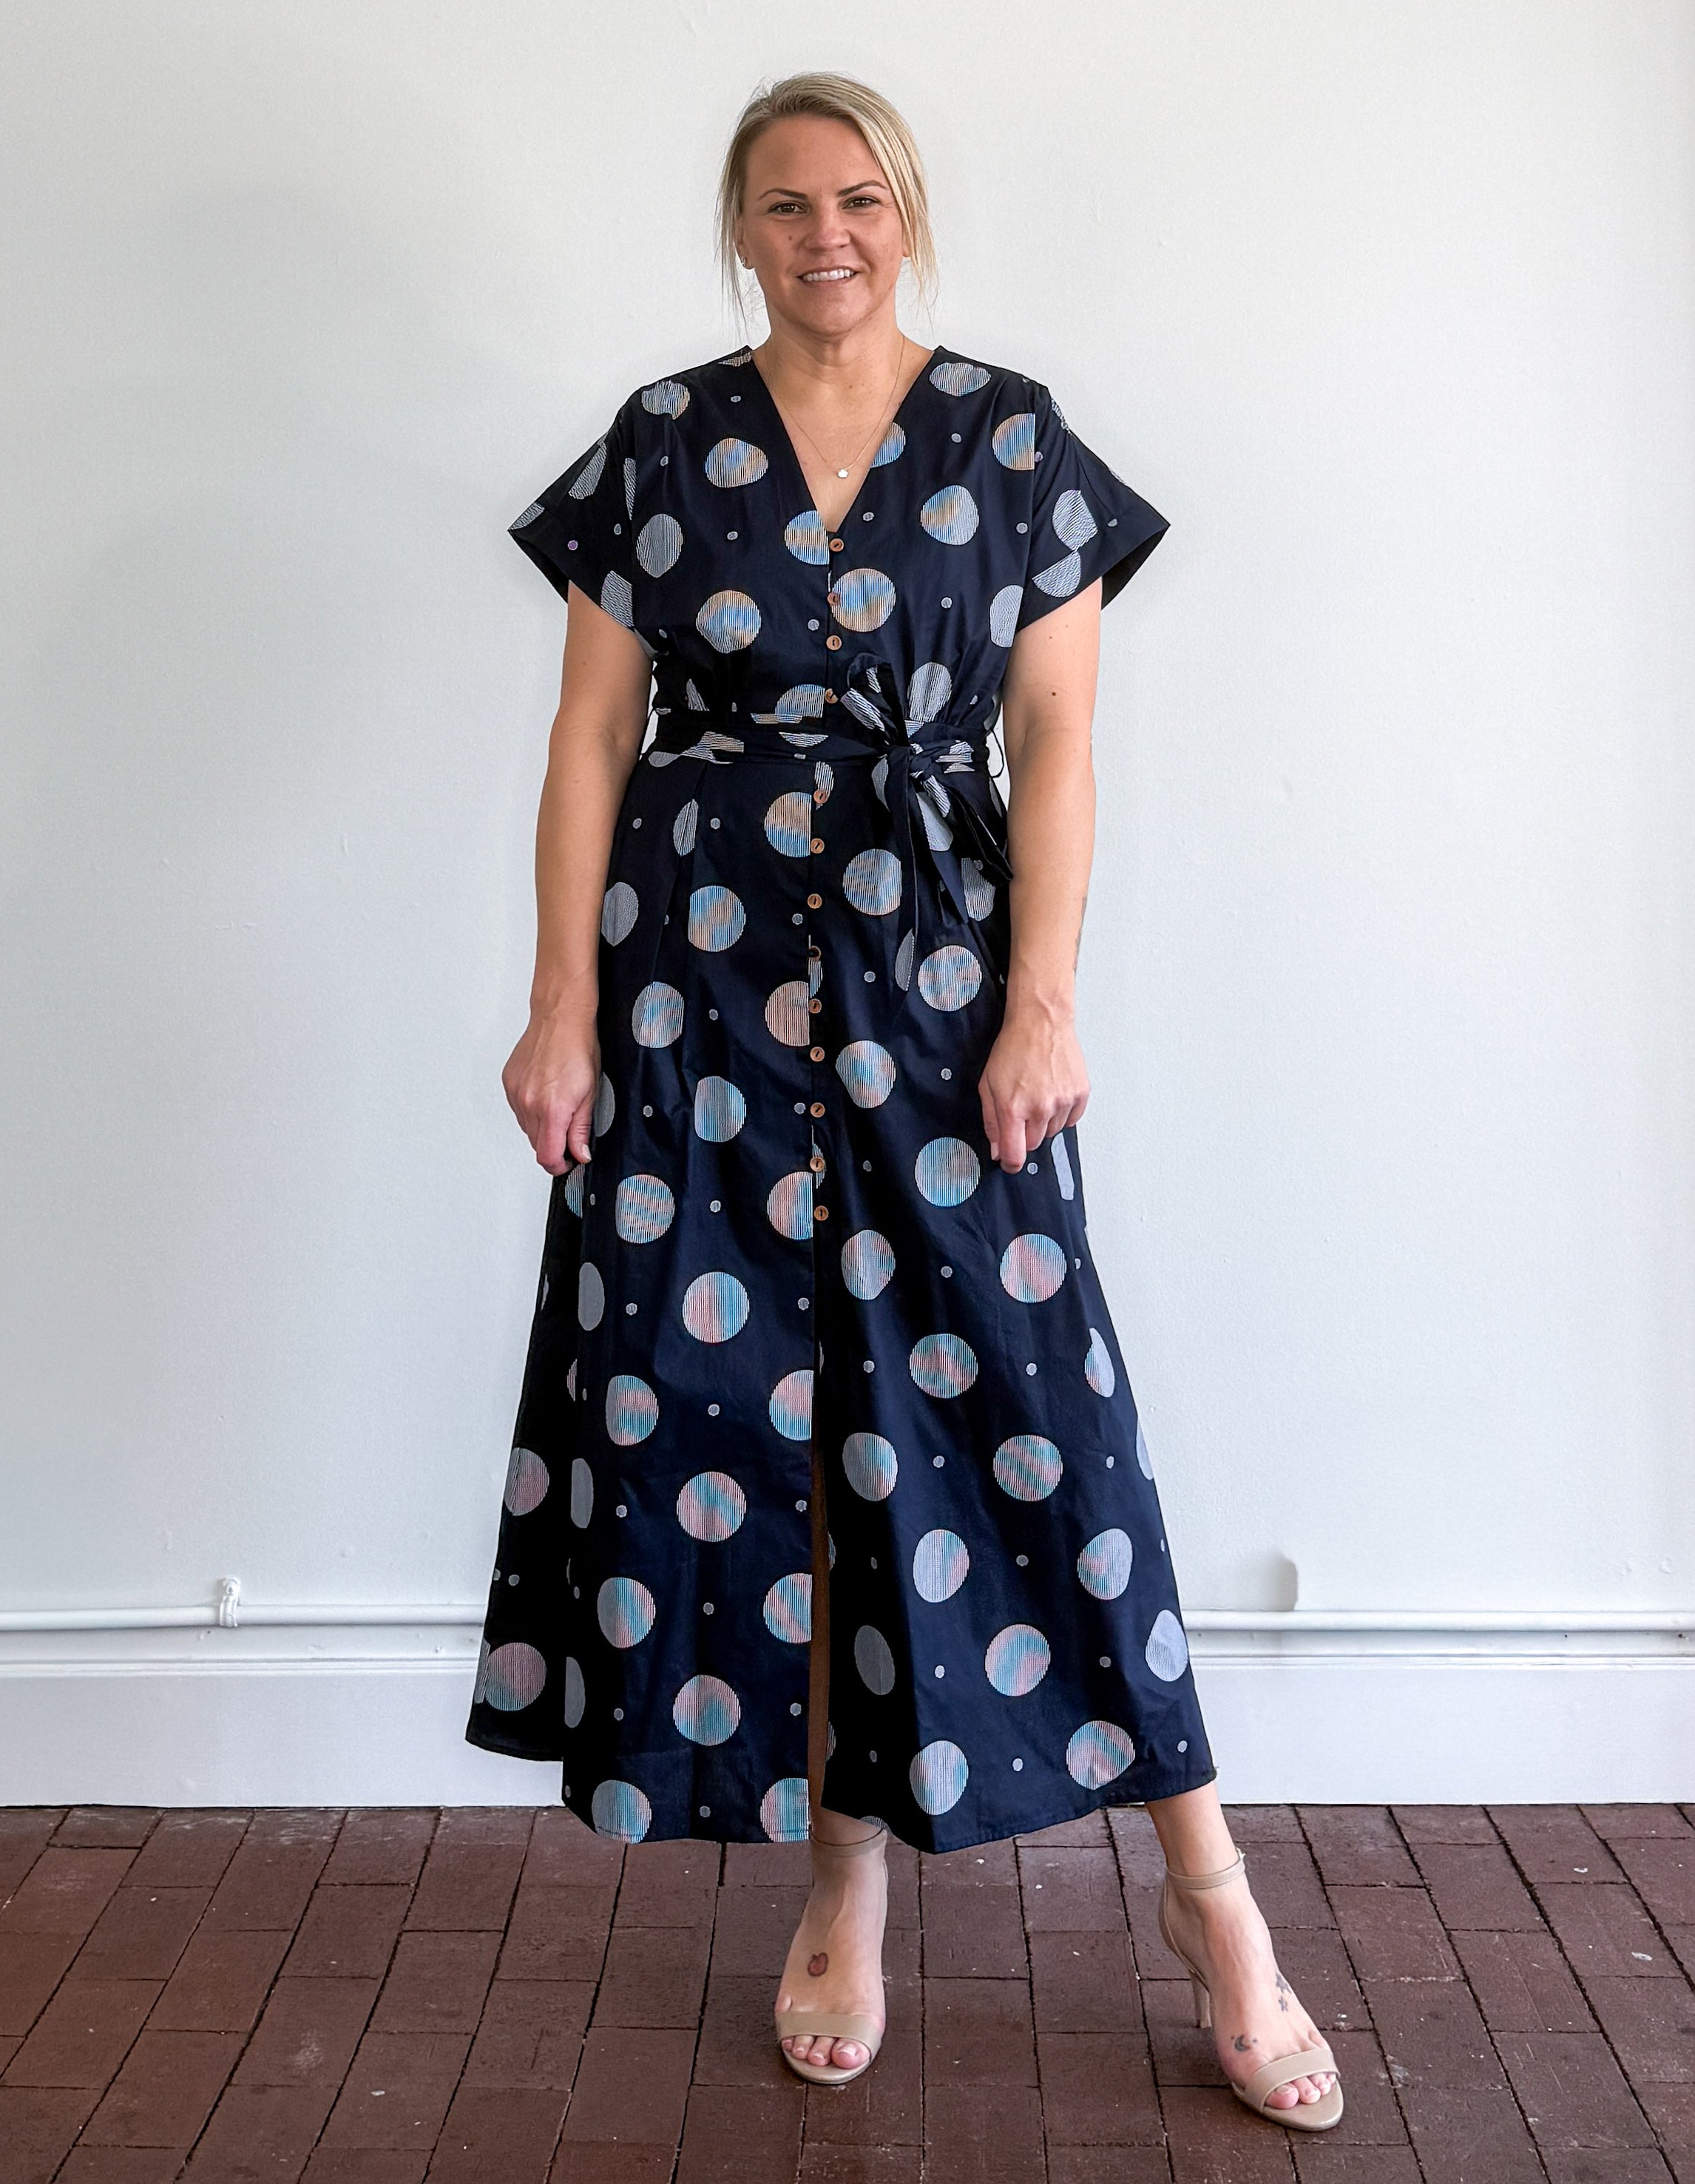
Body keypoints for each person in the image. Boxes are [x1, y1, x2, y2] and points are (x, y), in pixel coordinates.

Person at [467, 71, 1341, 2131]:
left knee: (1039, 1420)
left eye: (858, 199)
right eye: (785, 206)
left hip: (941, 992)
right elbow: (590, 739)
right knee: (752, 1431)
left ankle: (1215, 1902)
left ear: (908, 212)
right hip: (696, 991)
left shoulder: (1012, 440)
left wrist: (1043, 1004)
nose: (825, 236)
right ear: (739, 228)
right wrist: (560, 1008)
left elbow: (1058, 743)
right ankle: (840, 1881)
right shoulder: (660, 444)